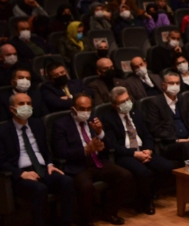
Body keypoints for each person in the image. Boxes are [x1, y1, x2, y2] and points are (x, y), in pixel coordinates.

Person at [51, 94, 133, 226]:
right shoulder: (61, 125)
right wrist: (85, 150)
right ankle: (86, 221)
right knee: (86, 187)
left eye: (89, 108)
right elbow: (61, 152)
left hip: (98, 162)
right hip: (78, 166)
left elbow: (108, 146)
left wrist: (100, 132)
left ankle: (110, 212)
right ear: (73, 109)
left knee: (125, 176)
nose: (86, 112)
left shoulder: (94, 121)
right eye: (82, 109)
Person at [0, 93, 74, 226]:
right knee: (39, 189)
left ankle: (66, 222)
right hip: (20, 174)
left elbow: (45, 150)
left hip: (42, 168)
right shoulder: (3, 130)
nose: (26, 107)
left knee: (66, 181)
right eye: (21, 104)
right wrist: (21, 173)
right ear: (12, 109)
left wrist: (50, 163)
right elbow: (1, 161)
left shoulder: (37, 124)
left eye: (28, 103)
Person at [102, 87, 173, 215]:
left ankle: (147, 195)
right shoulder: (108, 119)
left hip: (143, 150)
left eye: (128, 99)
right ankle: (147, 202)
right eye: (122, 102)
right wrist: (134, 154)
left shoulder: (137, 114)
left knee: (167, 167)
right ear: (114, 106)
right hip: (125, 154)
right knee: (143, 172)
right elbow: (113, 145)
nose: (127, 103)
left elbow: (147, 135)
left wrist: (149, 150)